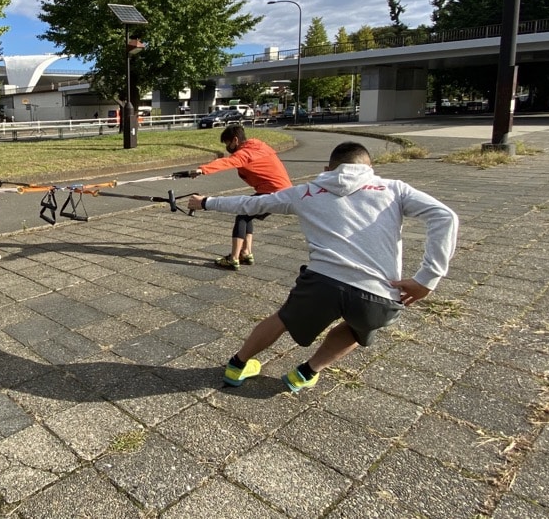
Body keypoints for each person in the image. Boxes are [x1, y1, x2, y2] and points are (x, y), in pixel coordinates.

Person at [187, 141, 459, 393]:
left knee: (282, 318)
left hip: (322, 284)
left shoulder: (304, 192)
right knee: (360, 328)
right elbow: (444, 216)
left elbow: (252, 203)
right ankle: (305, 373)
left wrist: (206, 202)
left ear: (327, 169)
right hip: (378, 292)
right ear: (369, 168)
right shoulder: (394, 189)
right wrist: (427, 278)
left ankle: (237, 366)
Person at [189, 124, 291, 270]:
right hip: (282, 191)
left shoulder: (245, 153)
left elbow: (227, 162)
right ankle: (246, 253)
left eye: (227, 143)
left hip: (273, 192)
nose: (227, 147)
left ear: (235, 140)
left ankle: (234, 258)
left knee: (242, 215)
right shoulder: (258, 147)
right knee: (246, 213)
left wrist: (202, 170)